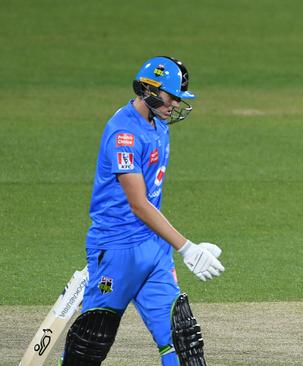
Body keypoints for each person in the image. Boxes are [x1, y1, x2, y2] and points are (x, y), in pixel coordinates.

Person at [59, 56, 225, 366]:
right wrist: (186, 248)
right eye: (172, 96)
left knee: (183, 340)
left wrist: (176, 246)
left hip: (154, 252)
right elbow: (138, 204)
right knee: (91, 344)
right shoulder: (123, 133)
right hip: (117, 251)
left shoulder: (159, 126)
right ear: (148, 90)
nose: (175, 104)